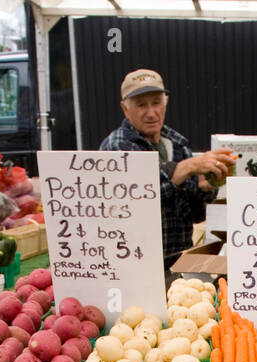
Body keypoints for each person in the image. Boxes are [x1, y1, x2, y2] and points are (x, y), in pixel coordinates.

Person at [99, 69, 237, 269]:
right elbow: (134, 203)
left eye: (156, 102)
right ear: (125, 109)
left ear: (165, 103)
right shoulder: (117, 146)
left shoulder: (178, 145)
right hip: (134, 264)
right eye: (141, 105)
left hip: (179, 261)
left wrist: (204, 189)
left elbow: (195, 215)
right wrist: (182, 170)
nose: (151, 112)